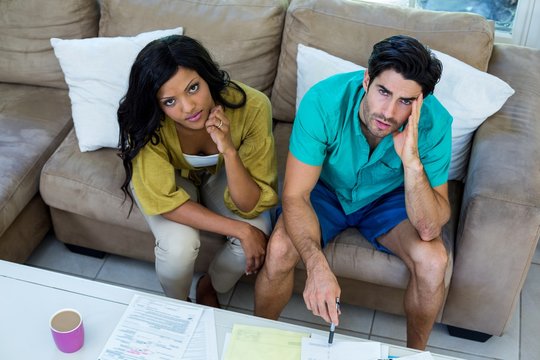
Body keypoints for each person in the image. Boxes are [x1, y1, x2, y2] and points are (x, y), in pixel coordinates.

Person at [254, 35, 452, 350]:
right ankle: (256, 346)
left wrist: (412, 163)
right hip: (326, 191)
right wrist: (317, 265)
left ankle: (415, 354)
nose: (388, 112)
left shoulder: (436, 123)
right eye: (383, 92)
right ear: (367, 80)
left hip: (391, 199)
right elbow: (295, 196)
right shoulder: (323, 101)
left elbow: (429, 227)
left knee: (434, 261)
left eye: (405, 101)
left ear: (421, 102)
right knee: (279, 249)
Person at [118, 35, 278, 307]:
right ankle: (179, 305)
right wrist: (239, 229)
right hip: (173, 180)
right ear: (156, 104)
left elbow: (250, 204)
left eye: (193, 88)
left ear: (207, 76)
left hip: (224, 172)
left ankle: (210, 285)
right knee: (178, 247)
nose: (189, 108)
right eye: (170, 101)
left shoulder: (253, 106)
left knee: (258, 231)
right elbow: (164, 201)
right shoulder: (144, 121)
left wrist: (228, 149)